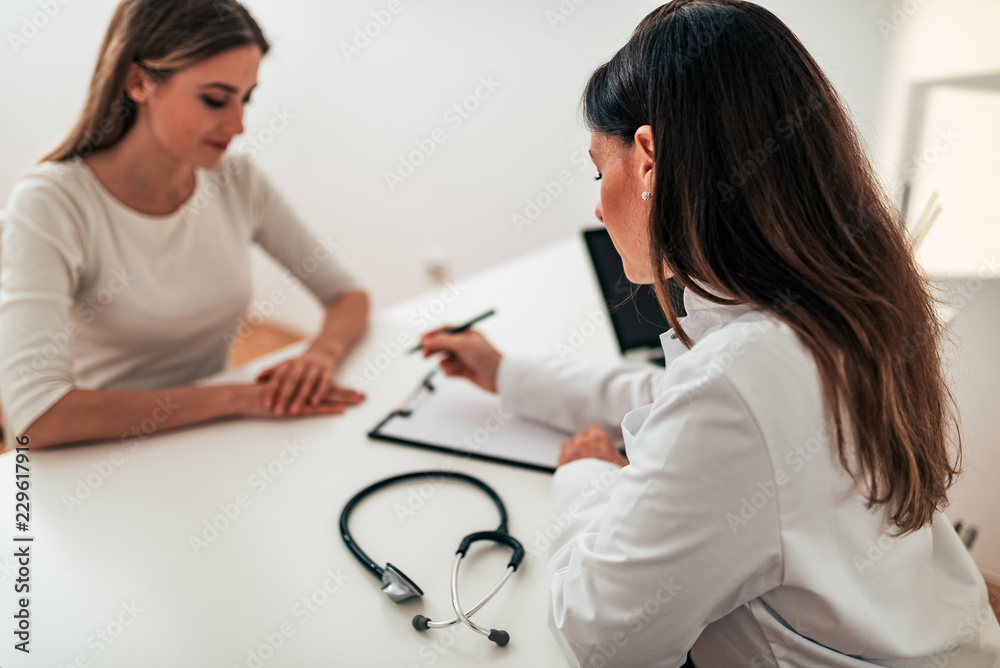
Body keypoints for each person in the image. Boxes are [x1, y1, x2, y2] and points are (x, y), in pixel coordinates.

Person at [419, 1, 1000, 665]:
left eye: (595, 169)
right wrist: (508, 374)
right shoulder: (839, 303)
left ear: (647, 160)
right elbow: (670, 397)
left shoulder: (743, 375)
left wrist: (586, 480)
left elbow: (602, 634)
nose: (595, 202)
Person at [0, 0, 369, 449]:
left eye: (246, 97)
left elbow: (347, 294)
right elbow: (37, 417)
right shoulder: (52, 202)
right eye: (215, 99)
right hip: (92, 458)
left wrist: (319, 355)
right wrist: (236, 399)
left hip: (204, 442)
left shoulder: (238, 181)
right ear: (138, 81)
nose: (238, 124)